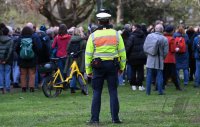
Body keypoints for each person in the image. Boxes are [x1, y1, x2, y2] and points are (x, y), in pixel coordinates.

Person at [85, 9, 126, 124]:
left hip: (98, 67)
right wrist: (122, 67)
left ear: (98, 22)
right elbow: (122, 52)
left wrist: (88, 70)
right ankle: (115, 119)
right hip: (113, 66)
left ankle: (95, 119)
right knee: (113, 91)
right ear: (109, 21)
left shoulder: (93, 36)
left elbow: (88, 55)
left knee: (97, 92)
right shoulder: (116, 34)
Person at [143, 24, 168, 95]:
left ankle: (148, 92)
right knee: (159, 75)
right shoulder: (164, 39)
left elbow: (145, 47)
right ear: (162, 30)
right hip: (159, 59)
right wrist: (163, 57)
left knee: (149, 75)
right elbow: (166, 51)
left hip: (150, 57)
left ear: (154, 29)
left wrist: (148, 55)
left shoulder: (149, 36)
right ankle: (160, 91)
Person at [16, 26, 39, 92]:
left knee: (23, 74)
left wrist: (20, 54)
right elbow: (38, 47)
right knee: (32, 73)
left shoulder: (20, 38)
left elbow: (16, 48)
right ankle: (31, 87)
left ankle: (23, 88)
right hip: (32, 58)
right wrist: (34, 54)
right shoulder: (33, 38)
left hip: (22, 59)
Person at [126, 24, 146, 91]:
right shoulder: (143, 36)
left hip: (132, 57)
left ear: (136, 28)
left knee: (133, 71)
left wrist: (126, 54)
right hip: (141, 56)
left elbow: (128, 46)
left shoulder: (132, 36)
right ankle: (140, 85)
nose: (132, 29)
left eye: (133, 28)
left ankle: (133, 85)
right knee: (140, 71)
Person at [163, 25, 182, 91]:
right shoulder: (171, 39)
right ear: (171, 31)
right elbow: (172, 49)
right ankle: (177, 86)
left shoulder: (163, 37)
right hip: (170, 58)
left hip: (163, 58)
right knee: (173, 73)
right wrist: (177, 48)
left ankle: (160, 86)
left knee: (164, 73)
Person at [0, 23, 14, 94]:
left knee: (1, 73)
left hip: (0, 59)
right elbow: (10, 51)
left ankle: (1, 87)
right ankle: (7, 87)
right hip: (7, 60)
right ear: (7, 32)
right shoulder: (10, 40)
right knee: (7, 73)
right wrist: (6, 60)